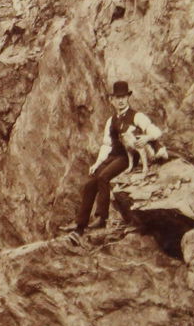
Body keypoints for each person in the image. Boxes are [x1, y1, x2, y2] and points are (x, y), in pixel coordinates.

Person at [66, 80, 163, 241]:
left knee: (103, 177)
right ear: (112, 99)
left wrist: (146, 138)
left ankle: (101, 218)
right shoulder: (111, 121)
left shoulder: (136, 116)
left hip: (128, 157)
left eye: (123, 97)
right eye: (117, 97)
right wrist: (97, 163)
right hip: (114, 155)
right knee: (90, 183)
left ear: (128, 97)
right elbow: (106, 145)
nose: (121, 100)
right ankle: (79, 228)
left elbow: (156, 132)